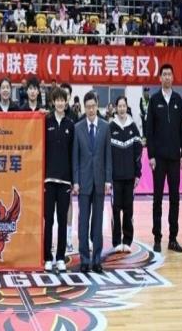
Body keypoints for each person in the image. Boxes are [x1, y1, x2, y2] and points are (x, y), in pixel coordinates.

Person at [146, 64, 182, 253]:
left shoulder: (178, 99)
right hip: (159, 159)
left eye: (170, 74)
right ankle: (157, 237)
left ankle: (173, 238)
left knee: (175, 199)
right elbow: (149, 130)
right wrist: (151, 155)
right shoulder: (154, 100)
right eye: (164, 74)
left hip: (175, 159)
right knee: (158, 199)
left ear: (173, 77)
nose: (167, 77)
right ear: (160, 78)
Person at [72, 91, 112, 273]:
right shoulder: (77, 128)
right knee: (83, 223)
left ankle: (96, 259)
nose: (90, 110)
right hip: (83, 183)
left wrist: (108, 180)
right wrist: (76, 181)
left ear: (97, 106)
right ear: (84, 107)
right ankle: (84, 259)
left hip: (100, 181)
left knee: (97, 222)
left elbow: (108, 156)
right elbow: (75, 157)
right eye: (87, 107)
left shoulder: (105, 127)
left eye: (93, 106)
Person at [44, 87, 74, 272]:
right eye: (58, 100)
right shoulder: (46, 122)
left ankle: (60, 257)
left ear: (66, 102)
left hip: (65, 181)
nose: (60, 103)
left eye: (63, 100)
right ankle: (47, 257)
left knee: (63, 220)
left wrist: (73, 180)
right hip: (48, 180)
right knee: (49, 221)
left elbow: (73, 154)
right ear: (53, 102)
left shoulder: (71, 124)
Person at [109, 96, 142, 253]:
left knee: (129, 210)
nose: (122, 109)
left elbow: (138, 152)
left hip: (129, 177)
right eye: (119, 106)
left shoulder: (133, 127)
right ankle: (116, 242)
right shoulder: (110, 127)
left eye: (124, 106)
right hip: (115, 178)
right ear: (116, 108)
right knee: (116, 211)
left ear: (127, 107)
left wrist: (137, 174)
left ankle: (127, 241)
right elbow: (107, 154)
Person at [60, 82, 78, 252]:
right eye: (61, 95)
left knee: (69, 204)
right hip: (54, 169)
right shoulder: (50, 116)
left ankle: (68, 239)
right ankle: (55, 239)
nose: (63, 99)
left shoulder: (74, 117)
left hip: (69, 169)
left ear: (69, 97)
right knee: (53, 206)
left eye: (66, 95)